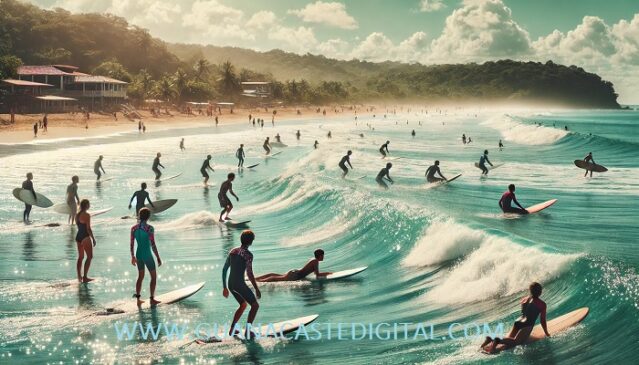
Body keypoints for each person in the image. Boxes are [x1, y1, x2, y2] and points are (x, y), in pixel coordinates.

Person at [482, 282, 549, 353]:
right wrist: (546, 333)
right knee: (516, 342)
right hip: (527, 324)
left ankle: (490, 342)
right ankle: (496, 339)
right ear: (539, 292)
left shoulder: (524, 300)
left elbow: (525, 312)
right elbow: (543, 321)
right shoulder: (542, 304)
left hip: (518, 321)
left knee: (509, 341)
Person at [221, 230, 261, 339]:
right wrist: (257, 288)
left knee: (243, 305)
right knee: (255, 305)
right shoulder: (248, 255)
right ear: (251, 242)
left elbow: (224, 269)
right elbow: (250, 273)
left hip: (231, 284)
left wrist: (225, 287)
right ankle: (248, 330)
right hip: (239, 284)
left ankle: (233, 328)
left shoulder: (233, 251)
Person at [130, 207, 162, 307]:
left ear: (139, 216)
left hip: (138, 254)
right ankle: (152, 299)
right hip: (147, 255)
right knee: (153, 277)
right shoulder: (149, 228)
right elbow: (153, 244)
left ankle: (138, 300)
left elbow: (131, 244)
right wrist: (158, 257)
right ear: (148, 216)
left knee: (140, 277)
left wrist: (133, 256)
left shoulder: (133, 228)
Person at [256, 249, 332, 282]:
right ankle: (259, 281)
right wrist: (328, 273)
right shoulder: (315, 261)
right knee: (274, 278)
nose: (323, 257)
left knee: (273, 275)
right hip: (295, 275)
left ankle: (255, 279)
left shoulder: (313, 260)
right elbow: (317, 274)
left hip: (295, 272)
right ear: (319, 255)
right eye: (322, 255)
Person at [75, 199, 96, 283]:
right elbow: (88, 228)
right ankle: (85, 277)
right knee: (89, 257)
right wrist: (93, 238)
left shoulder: (77, 215)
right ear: (86, 205)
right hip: (85, 237)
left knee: (80, 257)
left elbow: (79, 226)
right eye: (89, 204)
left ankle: (79, 277)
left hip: (78, 237)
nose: (89, 205)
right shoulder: (87, 215)